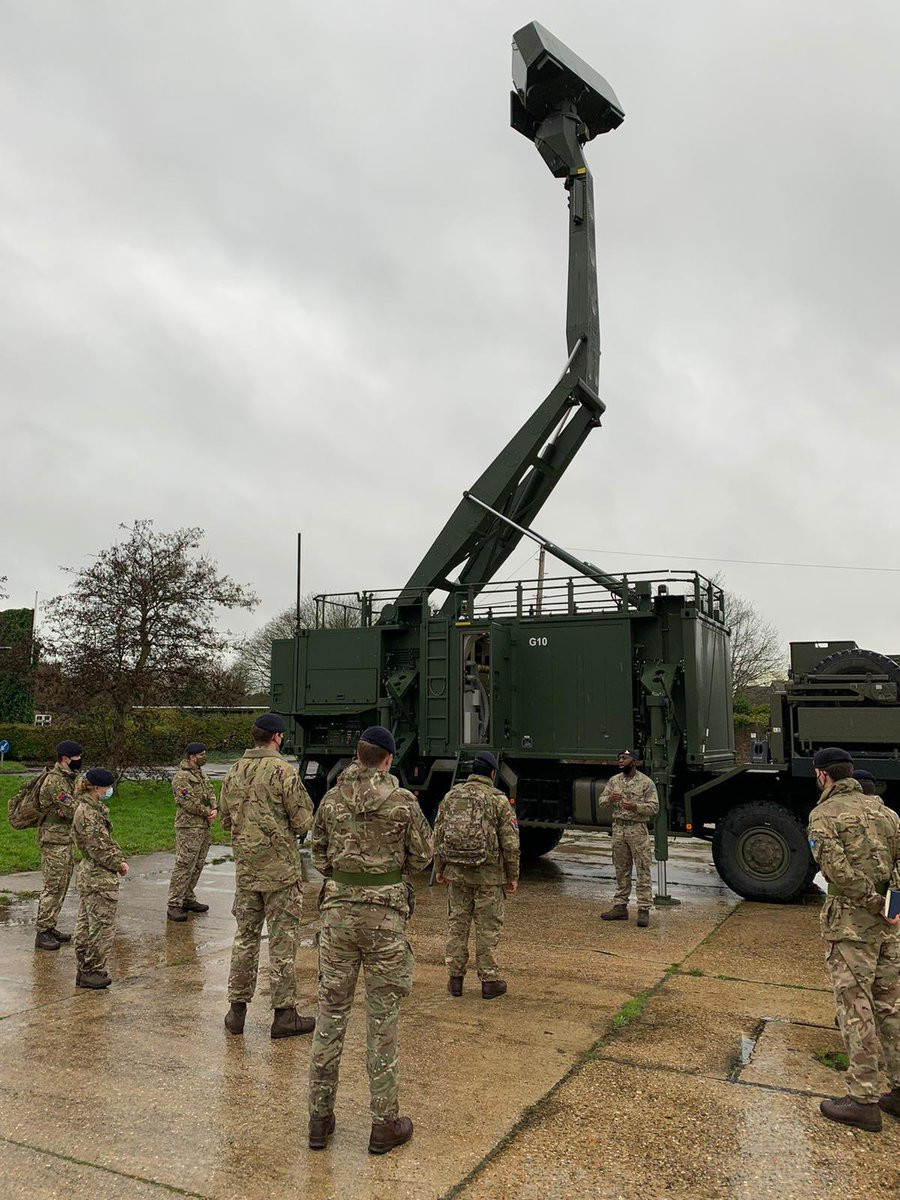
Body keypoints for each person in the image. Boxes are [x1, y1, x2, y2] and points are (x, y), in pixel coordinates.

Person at [307, 726, 433, 1155]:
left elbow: (318, 853)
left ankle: (319, 1119)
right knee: (382, 1019)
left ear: (358, 757)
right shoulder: (403, 803)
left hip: (337, 916)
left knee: (330, 1013)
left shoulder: (331, 800)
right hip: (385, 919)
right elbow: (423, 856)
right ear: (387, 759)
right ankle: (384, 1123)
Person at [807, 746, 900, 1132]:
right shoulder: (887, 812)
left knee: (855, 1007)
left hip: (851, 924)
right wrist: (892, 902)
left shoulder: (822, 816)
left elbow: (836, 871)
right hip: (890, 923)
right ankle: (898, 1090)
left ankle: (863, 1099)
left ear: (822, 776)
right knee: (890, 1006)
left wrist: (871, 899)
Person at [219, 713, 315, 1039]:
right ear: (277, 737)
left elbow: (226, 821)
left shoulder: (233, 772)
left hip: (246, 871)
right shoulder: (284, 772)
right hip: (281, 874)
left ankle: (236, 1011)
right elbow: (303, 822)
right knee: (282, 941)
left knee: (244, 939)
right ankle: (284, 1014)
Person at [433, 750, 519, 999]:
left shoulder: (450, 796)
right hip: (489, 877)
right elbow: (510, 843)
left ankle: (455, 980)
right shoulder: (497, 800)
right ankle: (489, 981)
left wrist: (440, 868)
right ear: (492, 773)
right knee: (487, 928)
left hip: (457, 874)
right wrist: (512, 875)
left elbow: (438, 836)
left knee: (457, 925)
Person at [71, 767, 129, 989]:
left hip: (91, 874)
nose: (109, 790)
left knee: (87, 923)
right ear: (96, 788)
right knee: (100, 926)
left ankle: (85, 969)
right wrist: (119, 864)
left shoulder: (90, 808)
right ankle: (92, 969)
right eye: (107, 787)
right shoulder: (89, 814)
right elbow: (99, 847)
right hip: (98, 876)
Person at [599, 749, 659, 927]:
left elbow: (654, 807)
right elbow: (601, 801)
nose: (620, 761)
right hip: (619, 830)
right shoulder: (614, 781)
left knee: (642, 869)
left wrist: (635, 806)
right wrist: (610, 798)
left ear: (635, 761)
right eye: (619, 758)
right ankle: (620, 907)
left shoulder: (645, 782)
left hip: (637, 830)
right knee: (621, 869)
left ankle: (643, 909)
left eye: (625, 758)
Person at [34, 739, 82, 951]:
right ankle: (43, 931)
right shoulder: (55, 781)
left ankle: (50, 925)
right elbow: (74, 809)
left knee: (62, 884)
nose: (79, 761)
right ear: (65, 759)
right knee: (53, 886)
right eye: (76, 758)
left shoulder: (69, 778)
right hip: (53, 841)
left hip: (65, 839)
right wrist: (71, 809)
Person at [167, 741, 217, 922]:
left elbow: (210, 791)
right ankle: (174, 903)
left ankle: (187, 898)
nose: (205, 757)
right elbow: (187, 801)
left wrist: (214, 808)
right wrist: (206, 812)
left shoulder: (200, 774)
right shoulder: (182, 777)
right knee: (184, 865)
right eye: (202, 754)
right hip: (188, 827)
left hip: (203, 827)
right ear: (192, 756)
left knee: (197, 865)